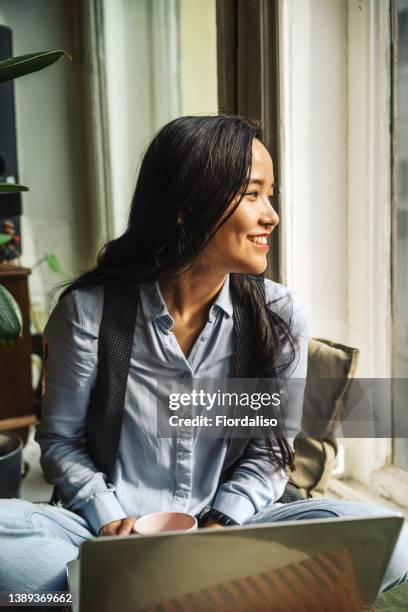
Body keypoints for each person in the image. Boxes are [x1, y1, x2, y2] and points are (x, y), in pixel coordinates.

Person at [0, 116, 406, 594]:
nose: (271, 214)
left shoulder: (279, 314)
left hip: (231, 529)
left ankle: (133, 593)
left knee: (395, 543)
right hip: (104, 534)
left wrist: (219, 526)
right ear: (186, 207)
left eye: (269, 195)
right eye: (253, 194)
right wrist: (112, 524)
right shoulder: (89, 311)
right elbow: (62, 442)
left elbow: (268, 456)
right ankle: (181, 589)